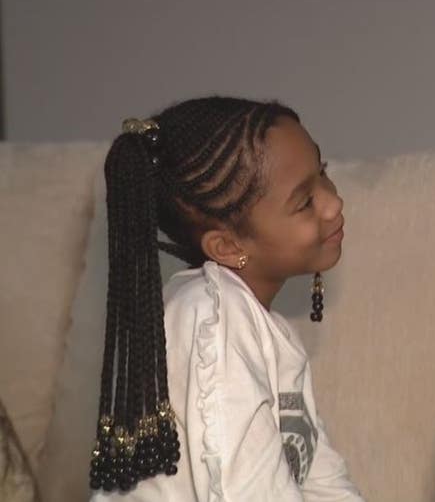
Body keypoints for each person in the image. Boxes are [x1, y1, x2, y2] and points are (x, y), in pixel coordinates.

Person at [88, 97, 364, 501]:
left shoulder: (266, 330)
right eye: (305, 201)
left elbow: (323, 482)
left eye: (322, 172)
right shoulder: (213, 326)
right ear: (227, 245)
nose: (333, 202)